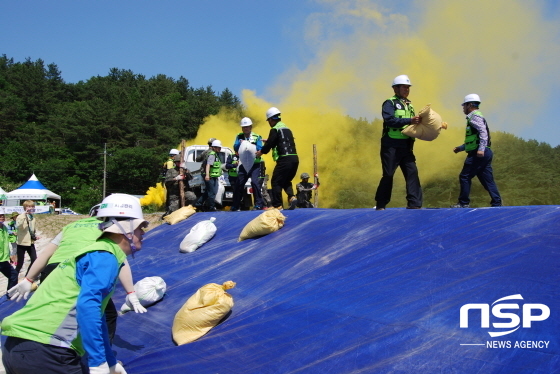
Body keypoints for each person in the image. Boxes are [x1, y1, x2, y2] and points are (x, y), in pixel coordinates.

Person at [2, 193, 147, 374]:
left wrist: (109, 360)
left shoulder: (98, 252)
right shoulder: (105, 256)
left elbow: (98, 315)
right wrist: (97, 361)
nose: (144, 232)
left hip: (18, 347)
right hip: (48, 352)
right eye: (142, 226)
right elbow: (88, 306)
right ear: (126, 228)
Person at [374, 75, 423, 210]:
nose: (406, 90)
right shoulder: (389, 103)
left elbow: (414, 125)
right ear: (395, 88)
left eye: (408, 87)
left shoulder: (410, 106)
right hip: (391, 145)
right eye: (404, 87)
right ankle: (381, 203)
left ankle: (414, 203)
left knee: (412, 172)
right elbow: (389, 120)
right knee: (388, 174)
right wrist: (410, 121)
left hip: (406, 146)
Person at [451, 94, 502, 208]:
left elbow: (483, 133)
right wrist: (461, 148)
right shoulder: (475, 117)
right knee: (487, 180)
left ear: (469, 105)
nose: (463, 108)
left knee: (464, 176)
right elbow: (473, 139)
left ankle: (463, 203)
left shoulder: (474, 117)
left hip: (478, 154)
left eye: (464, 105)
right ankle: (496, 202)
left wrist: (481, 149)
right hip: (484, 153)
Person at [255, 107, 299, 210]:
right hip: (294, 159)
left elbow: (270, 144)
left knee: (275, 181)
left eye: (268, 121)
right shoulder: (286, 128)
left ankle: (277, 205)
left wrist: (260, 152)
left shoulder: (274, 129)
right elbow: (280, 141)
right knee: (286, 180)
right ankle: (292, 197)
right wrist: (270, 141)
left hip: (284, 159)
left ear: (271, 119)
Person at [231, 117, 265, 211]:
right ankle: (235, 205)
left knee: (255, 183)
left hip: (255, 164)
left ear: (251, 127)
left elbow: (259, 148)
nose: (245, 128)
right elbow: (235, 147)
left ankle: (259, 204)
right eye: (244, 127)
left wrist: (249, 144)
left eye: (247, 127)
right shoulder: (239, 136)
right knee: (239, 184)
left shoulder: (257, 136)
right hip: (243, 164)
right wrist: (241, 143)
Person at [196, 140, 223, 212]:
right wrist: (207, 175)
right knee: (212, 192)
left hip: (214, 176)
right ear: (214, 147)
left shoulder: (216, 154)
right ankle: (211, 207)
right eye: (218, 147)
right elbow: (208, 165)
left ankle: (198, 204)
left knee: (209, 192)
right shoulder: (212, 155)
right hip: (210, 176)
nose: (220, 149)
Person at [15, 200, 39, 276]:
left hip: (30, 242)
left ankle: (27, 276)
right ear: (25, 207)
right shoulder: (21, 216)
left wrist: (35, 236)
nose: (30, 208)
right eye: (28, 206)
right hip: (22, 243)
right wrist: (24, 215)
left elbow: (32, 230)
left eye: (32, 206)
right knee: (20, 263)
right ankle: (14, 277)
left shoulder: (33, 218)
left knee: (34, 259)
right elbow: (18, 226)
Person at [0, 208, 18, 296]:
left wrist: (10, 255)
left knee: (13, 275)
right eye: (0, 216)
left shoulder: (4, 228)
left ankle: (10, 296)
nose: (2, 217)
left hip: (3, 259)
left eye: (3, 215)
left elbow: (7, 243)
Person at [162, 154, 185, 218]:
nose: (179, 163)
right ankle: (167, 213)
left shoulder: (185, 170)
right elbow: (167, 182)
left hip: (184, 192)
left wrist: (186, 174)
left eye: (180, 162)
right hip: (174, 194)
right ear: (175, 163)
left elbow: (191, 178)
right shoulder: (171, 171)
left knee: (192, 197)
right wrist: (176, 178)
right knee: (173, 209)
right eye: (178, 162)